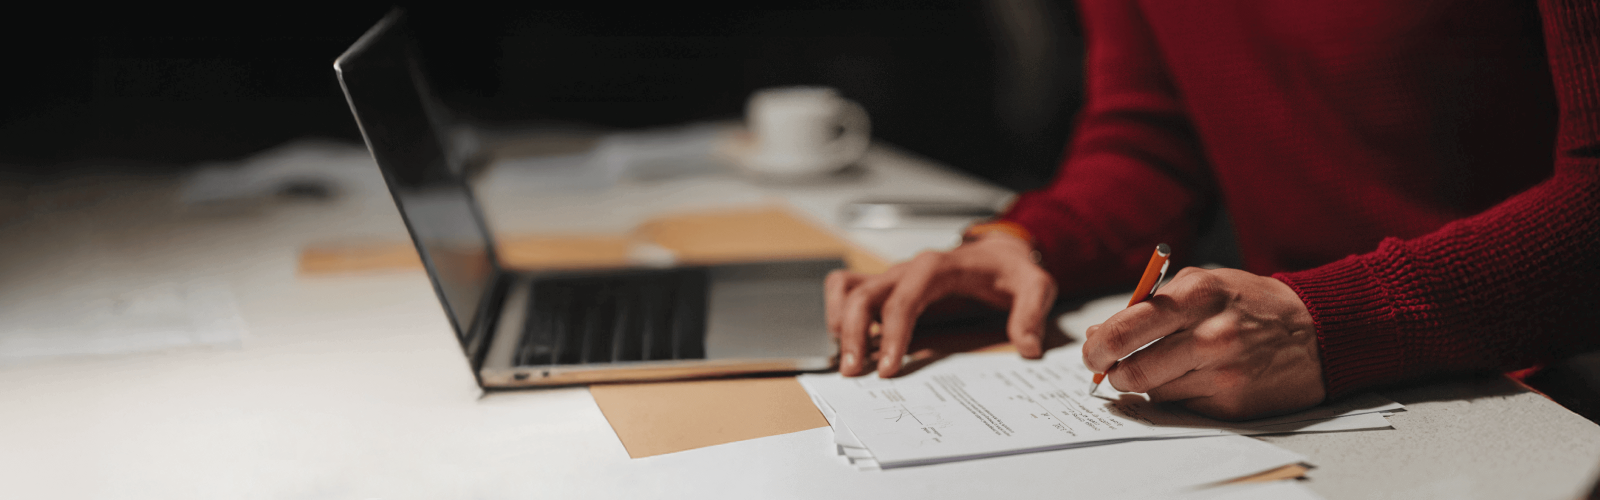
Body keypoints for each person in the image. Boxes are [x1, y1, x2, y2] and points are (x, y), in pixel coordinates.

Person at [824, 0, 1600, 421]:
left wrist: (1326, 321)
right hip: (1309, 394)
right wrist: (1028, 241)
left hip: (1550, 383)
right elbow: (1150, 136)